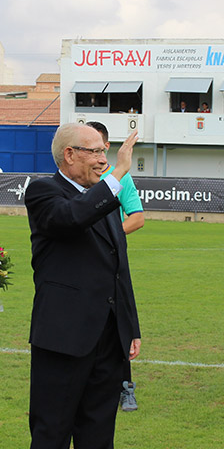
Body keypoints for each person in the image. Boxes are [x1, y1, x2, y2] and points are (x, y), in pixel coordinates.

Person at [21, 124, 141, 449]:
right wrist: (117, 174)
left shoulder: (103, 198)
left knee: (98, 434)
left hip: (107, 336)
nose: (103, 159)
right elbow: (70, 219)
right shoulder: (43, 192)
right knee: (51, 431)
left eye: (106, 152)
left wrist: (130, 327)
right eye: (94, 151)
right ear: (69, 154)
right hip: (64, 336)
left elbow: (118, 267)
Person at [87, 121, 146, 413]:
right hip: (81, 269)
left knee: (118, 324)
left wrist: (107, 239)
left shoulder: (119, 177)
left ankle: (126, 388)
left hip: (112, 267)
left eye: (96, 145)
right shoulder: (75, 180)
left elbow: (137, 218)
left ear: (106, 147)